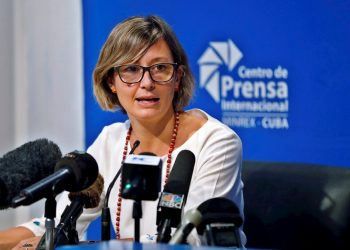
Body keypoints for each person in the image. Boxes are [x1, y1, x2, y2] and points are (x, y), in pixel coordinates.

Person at [0, 15, 245, 249]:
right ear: (111, 82)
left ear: (177, 78)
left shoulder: (216, 141)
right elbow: (62, 222)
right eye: (130, 69)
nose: (147, 83)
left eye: (160, 68)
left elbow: (192, 237)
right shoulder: (112, 140)